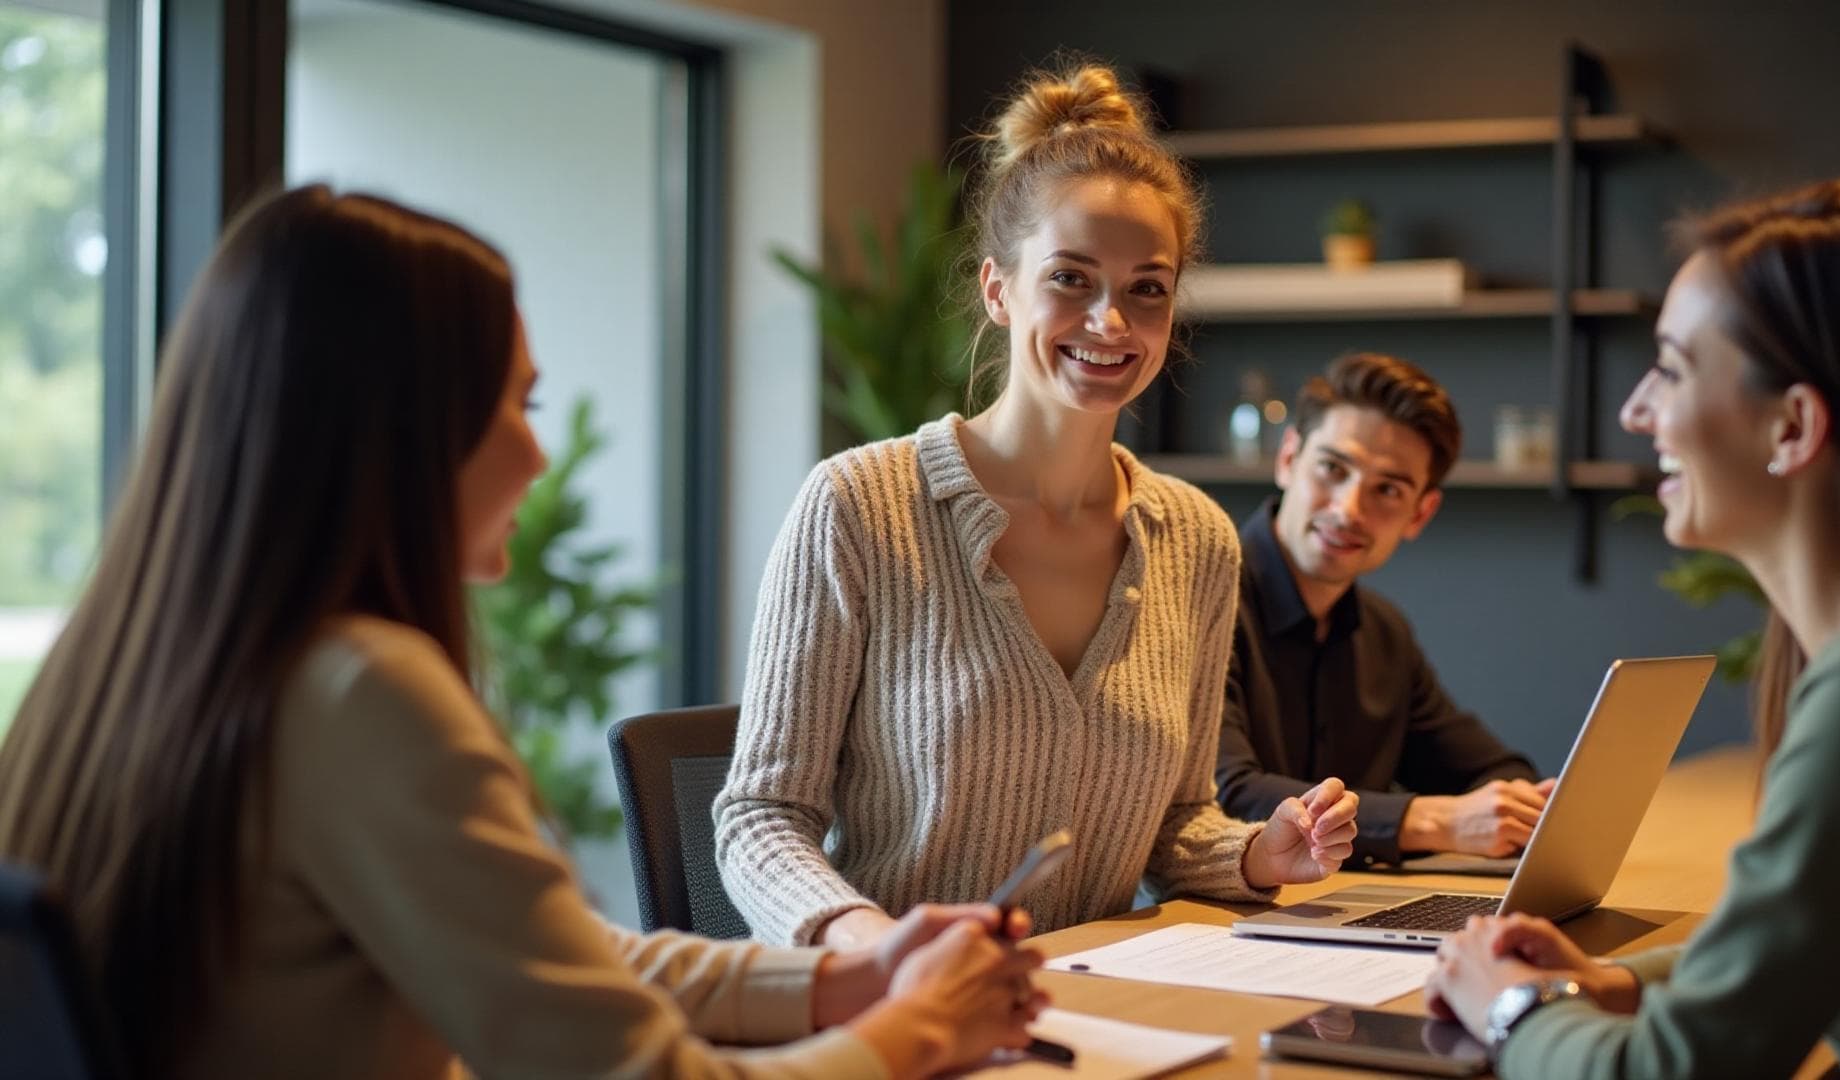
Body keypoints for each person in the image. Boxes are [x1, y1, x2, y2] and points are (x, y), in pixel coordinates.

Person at [0, 186, 1044, 1080]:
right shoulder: (360, 692)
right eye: (520, 403)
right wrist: (918, 1029)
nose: (537, 457)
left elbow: (559, 961)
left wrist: (846, 977)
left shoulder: (128, 668)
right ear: (409, 427)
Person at [713, 63, 1361, 951]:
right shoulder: (858, 507)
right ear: (997, 289)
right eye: (1071, 278)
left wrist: (1257, 855)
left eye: (1147, 288)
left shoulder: (1198, 540)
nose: (1111, 322)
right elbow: (760, 817)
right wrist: (874, 944)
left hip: (1083, 1005)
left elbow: (1177, 822)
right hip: (891, 1012)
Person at [1424, 179, 1840, 1077]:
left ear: (1794, 425)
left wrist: (1508, 1008)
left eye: (1674, 368)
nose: (1636, 411)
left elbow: (1673, 1072)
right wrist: (1610, 982)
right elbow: (1812, 952)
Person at [1214, 352, 1549, 867]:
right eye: (1332, 468)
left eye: (1387, 490)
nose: (1349, 510)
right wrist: (1433, 821)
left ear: (1421, 513)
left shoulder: (1384, 632)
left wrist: (1513, 807)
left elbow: (1492, 770)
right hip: (1205, 922)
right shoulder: (1200, 602)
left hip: (1338, 914)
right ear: (1288, 459)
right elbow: (1225, 794)